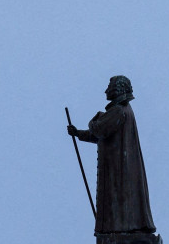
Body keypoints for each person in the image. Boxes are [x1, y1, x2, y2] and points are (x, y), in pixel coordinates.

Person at [67, 75, 156, 234]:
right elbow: (102, 135)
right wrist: (78, 133)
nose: (106, 91)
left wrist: (94, 120)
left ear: (117, 89)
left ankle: (121, 229)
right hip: (121, 165)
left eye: (109, 87)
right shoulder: (124, 109)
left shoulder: (118, 110)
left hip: (118, 167)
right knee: (122, 199)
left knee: (119, 198)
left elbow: (99, 129)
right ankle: (122, 227)